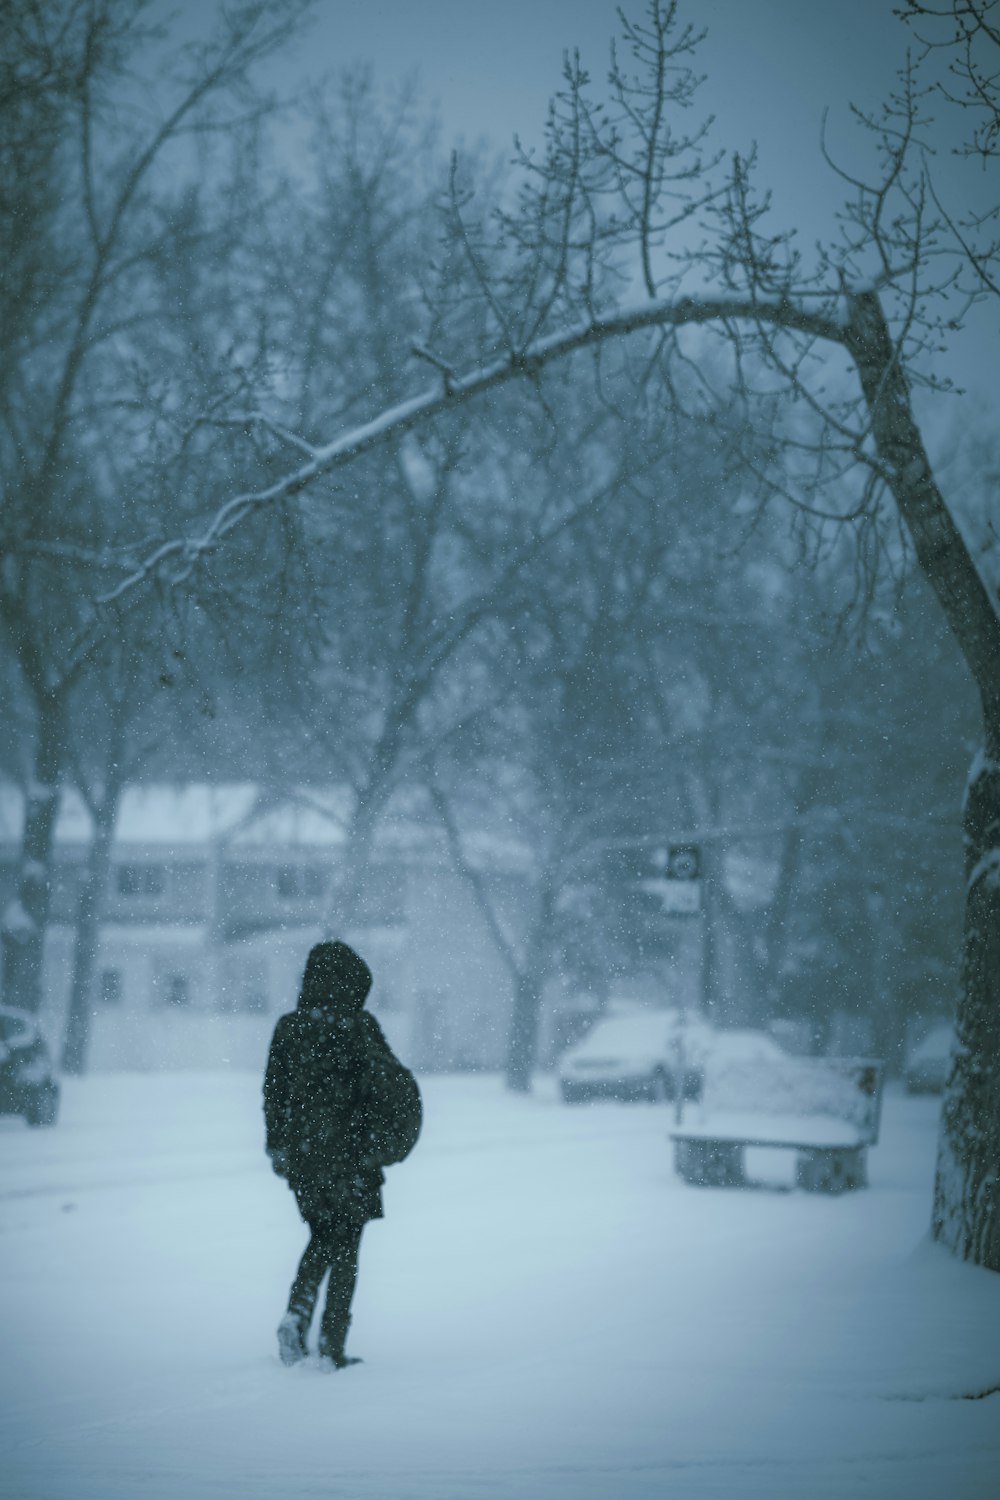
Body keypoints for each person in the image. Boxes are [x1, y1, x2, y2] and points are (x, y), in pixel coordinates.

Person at [263, 940, 419, 1369]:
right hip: (351, 1157)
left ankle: (297, 1314)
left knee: (321, 1235)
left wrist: (279, 1146)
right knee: (346, 1245)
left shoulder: (288, 1028)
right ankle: (332, 1345)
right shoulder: (358, 1026)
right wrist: (384, 1140)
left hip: (304, 1159)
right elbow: (390, 1084)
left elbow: (273, 1094)